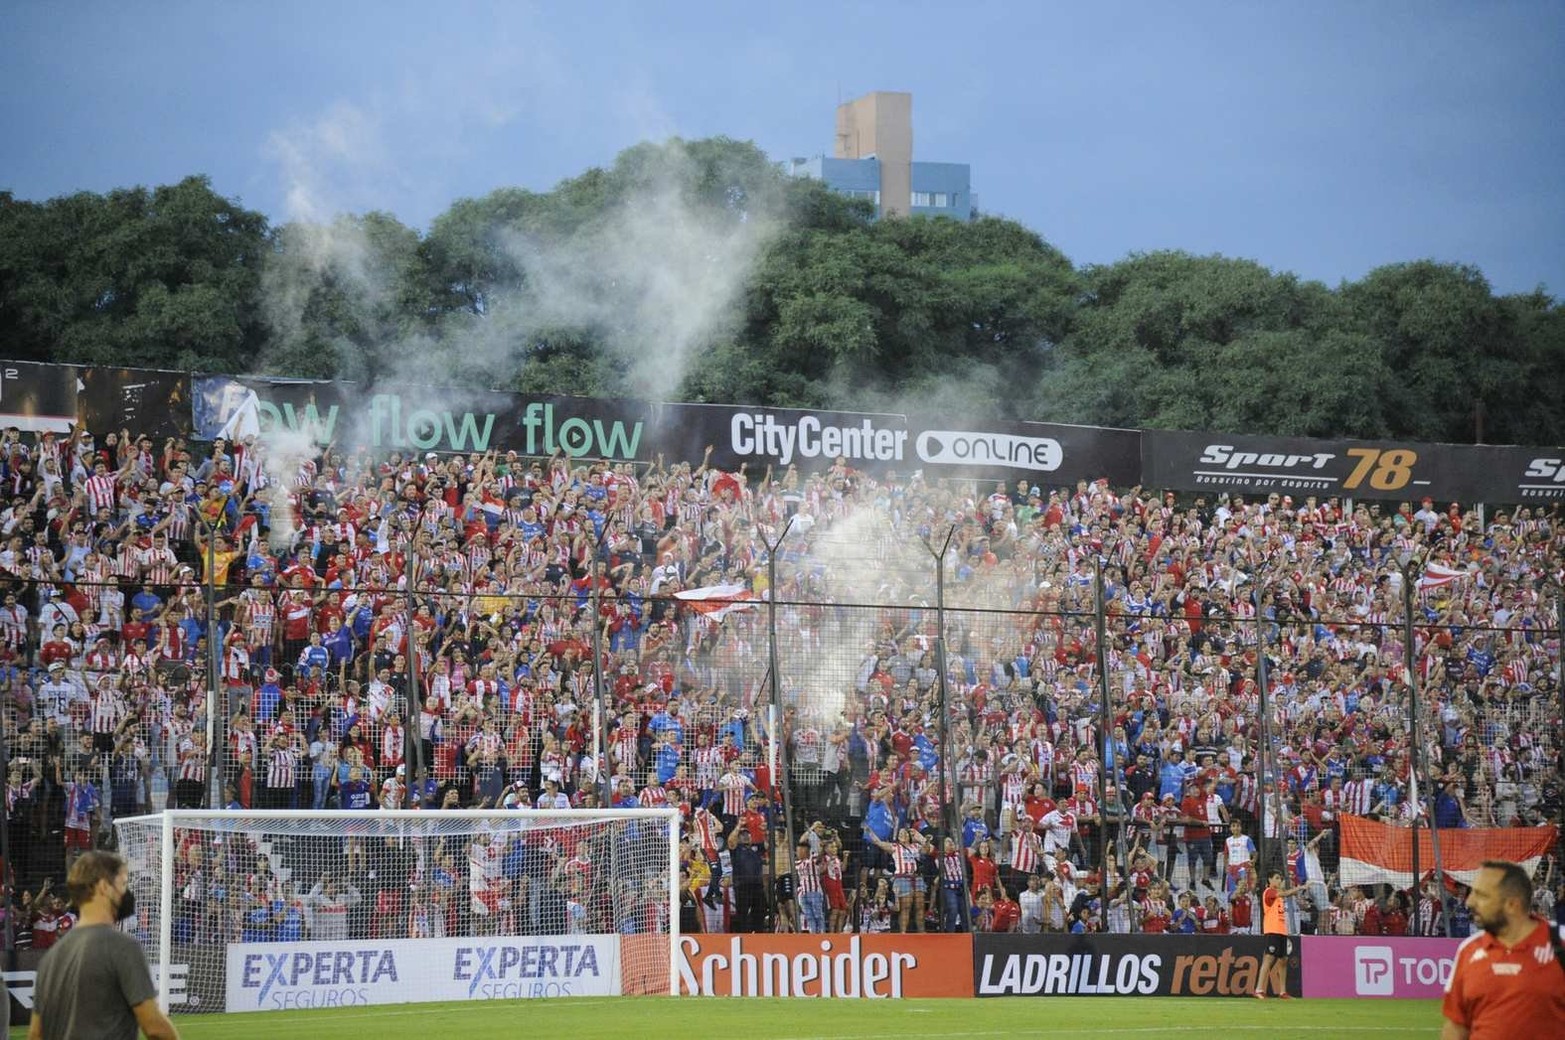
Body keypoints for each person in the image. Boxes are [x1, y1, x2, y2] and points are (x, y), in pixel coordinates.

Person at [28, 850, 180, 1040]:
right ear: (103, 887)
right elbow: (154, 1027)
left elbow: (36, 1034)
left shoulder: (51, 958)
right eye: (123, 884)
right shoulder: (122, 947)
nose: (126, 892)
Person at [1441, 860, 1565, 1039]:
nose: (1470, 902)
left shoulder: (1559, 944)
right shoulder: (1468, 950)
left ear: (1512, 905)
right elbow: (1456, 1027)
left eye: (1482, 895)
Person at [1255, 870, 1304, 999]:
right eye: (1276, 878)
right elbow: (1285, 893)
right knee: (1268, 958)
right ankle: (1259, 989)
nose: (1279, 880)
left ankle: (1282, 991)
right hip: (1272, 930)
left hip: (1281, 931)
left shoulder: (1278, 897)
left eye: (1280, 878)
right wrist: (1298, 888)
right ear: (1270, 880)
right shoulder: (1269, 892)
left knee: (1283, 960)